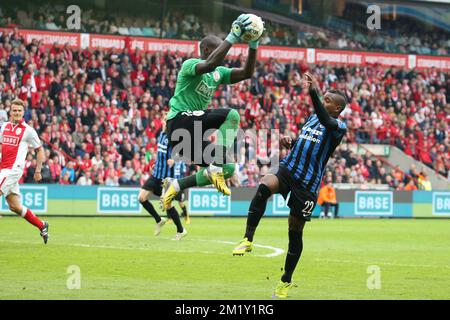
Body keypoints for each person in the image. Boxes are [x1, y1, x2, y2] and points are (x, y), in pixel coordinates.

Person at [232, 72, 348, 298]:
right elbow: (306, 141)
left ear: (336, 109)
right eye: (321, 97)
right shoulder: (313, 118)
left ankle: (285, 280)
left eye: (327, 100)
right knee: (264, 185)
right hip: (289, 168)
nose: (322, 102)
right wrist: (290, 142)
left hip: (307, 184)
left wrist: (313, 91)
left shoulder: (338, 126)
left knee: (294, 231)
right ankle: (247, 239)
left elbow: (325, 122)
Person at [161, 14, 262, 210]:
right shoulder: (190, 65)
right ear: (206, 50)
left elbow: (247, 73)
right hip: (179, 122)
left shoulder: (218, 73)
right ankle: (214, 167)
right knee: (232, 115)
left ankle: (177, 185)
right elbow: (210, 64)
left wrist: (254, 45)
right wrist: (232, 37)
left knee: (229, 168)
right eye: (219, 50)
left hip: (190, 136)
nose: (224, 55)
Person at [0, 99, 48, 243]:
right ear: (10, 111)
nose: (17, 113)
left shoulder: (28, 131)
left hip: (13, 170)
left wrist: (38, 170)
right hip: (3, 169)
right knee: (15, 206)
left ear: (23, 112)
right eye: (14, 110)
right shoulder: (4, 126)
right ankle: (42, 225)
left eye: (19, 111)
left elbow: (40, 151)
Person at [138, 119, 187, 240]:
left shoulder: (173, 137)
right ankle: (159, 220)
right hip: (156, 175)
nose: (163, 122)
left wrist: (174, 159)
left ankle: (181, 230)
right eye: (163, 121)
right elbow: (160, 153)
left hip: (166, 178)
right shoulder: (161, 134)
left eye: (165, 121)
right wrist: (156, 163)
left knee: (167, 204)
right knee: (141, 198)